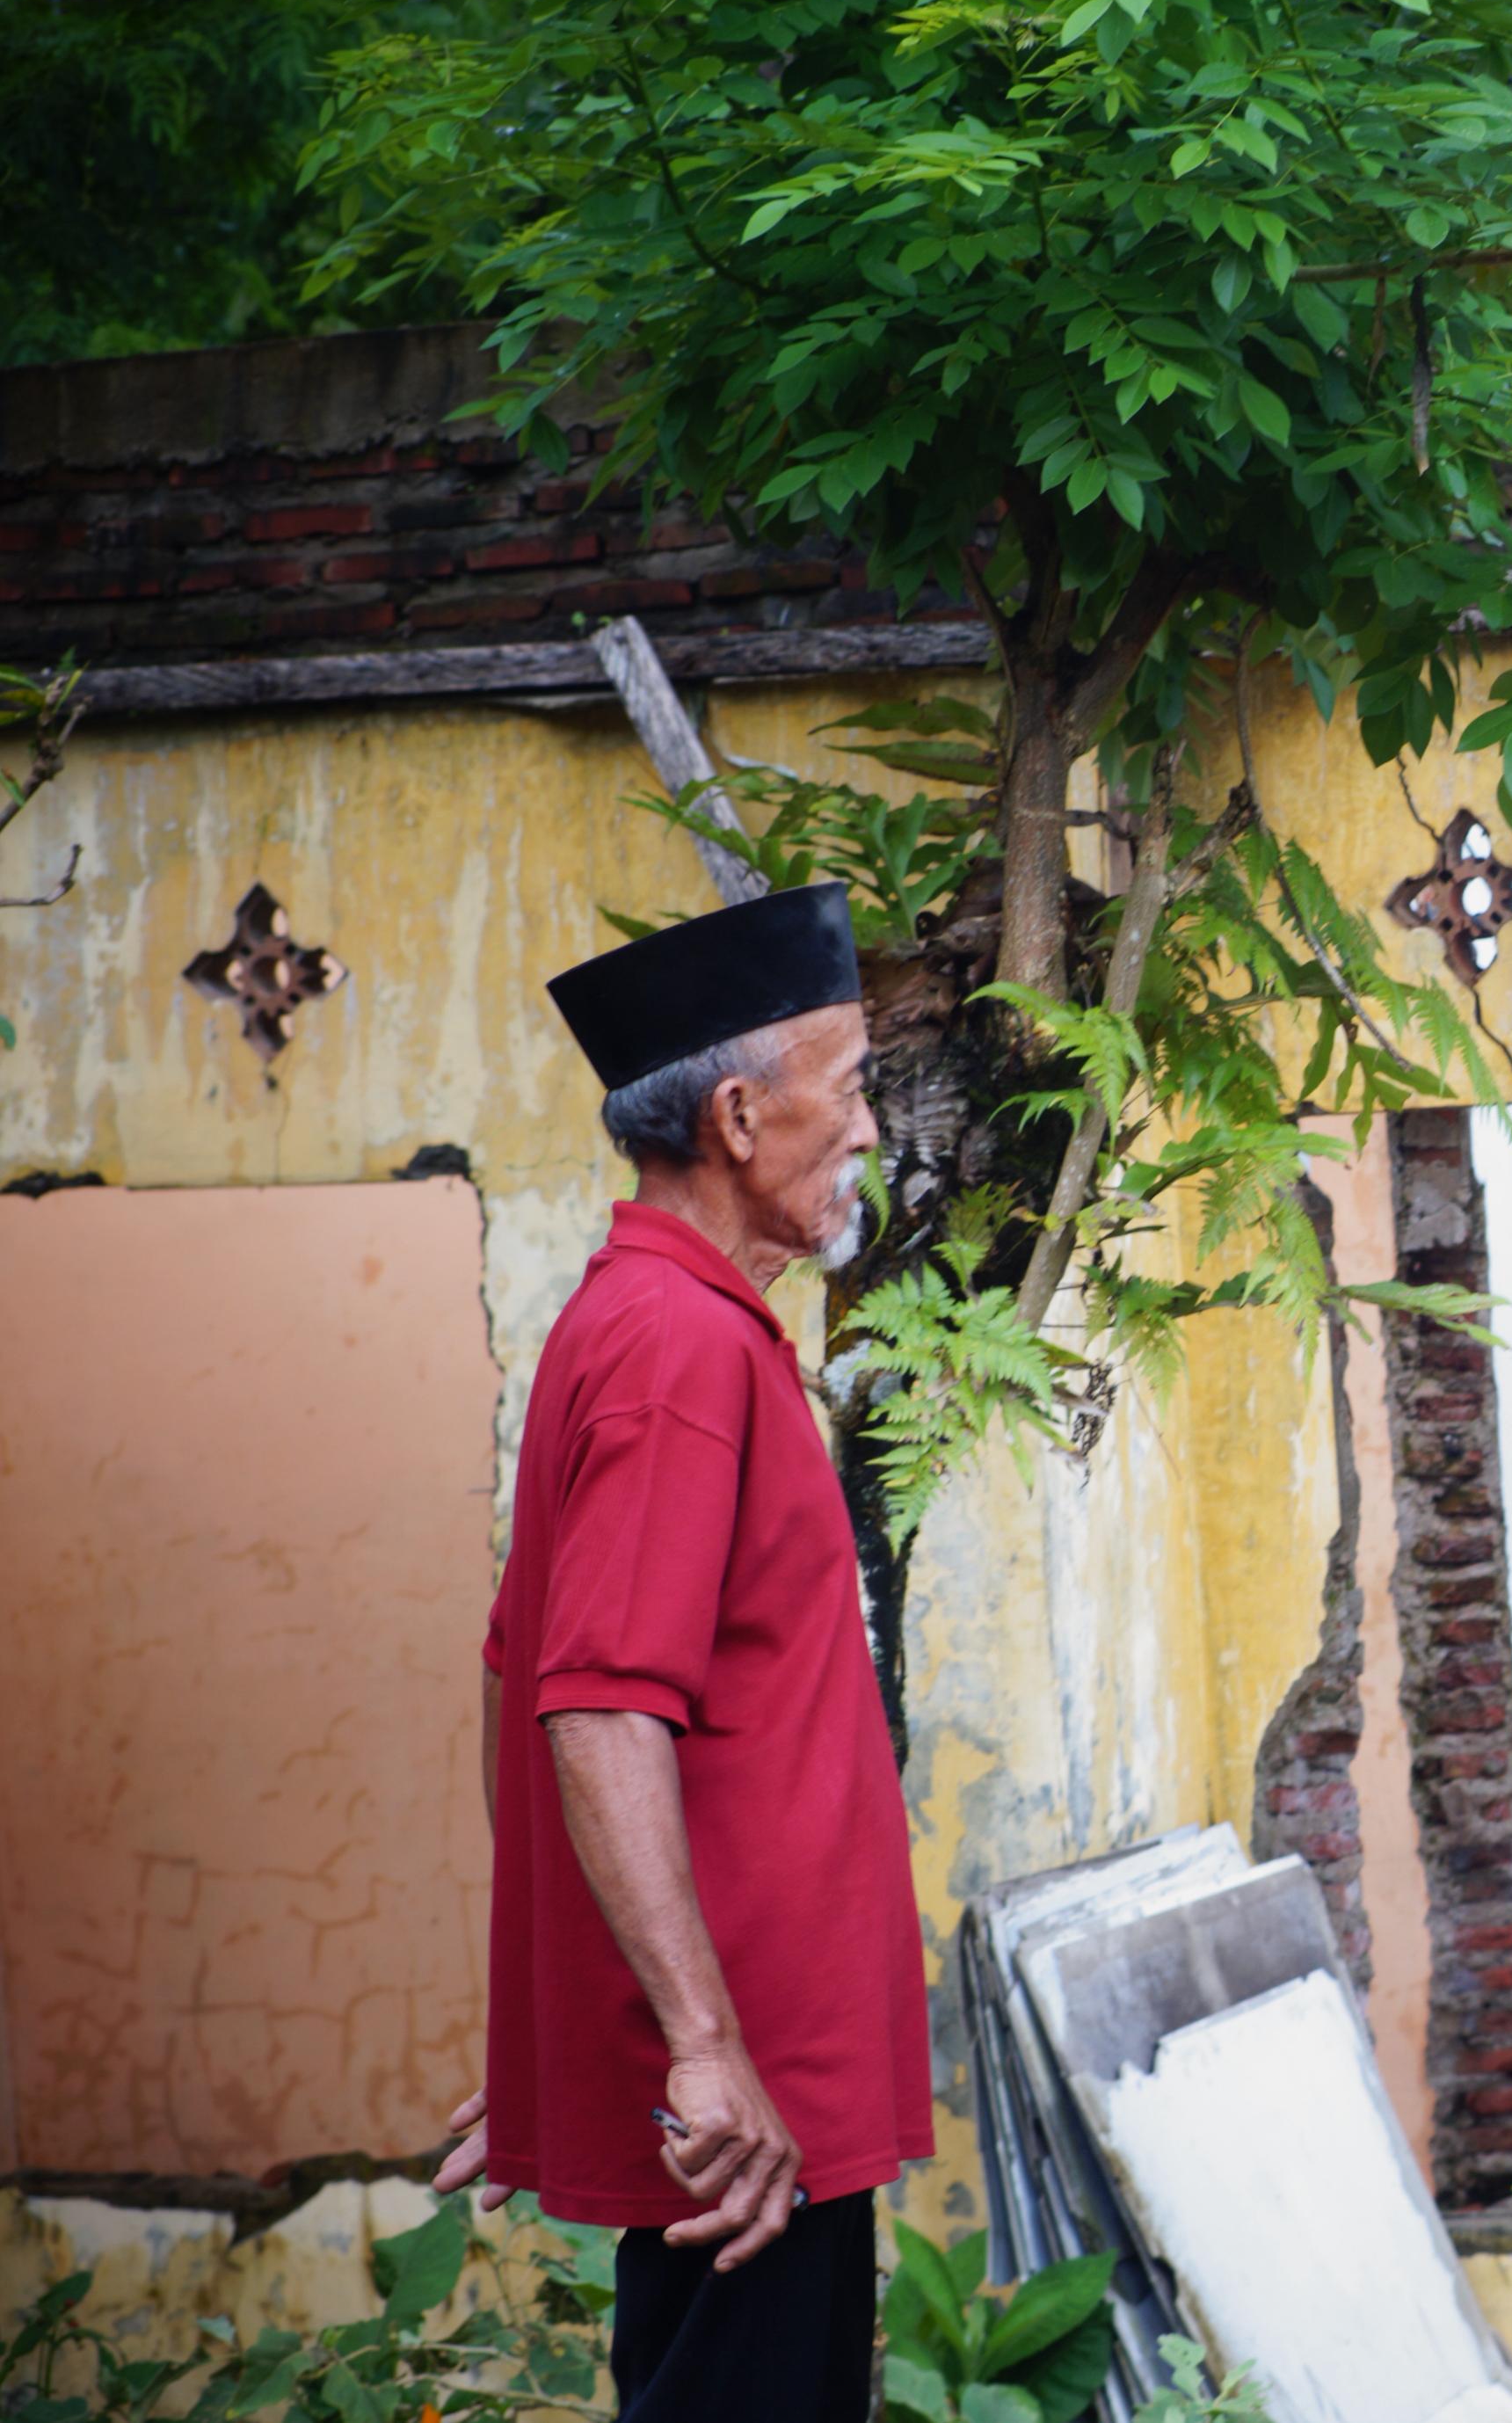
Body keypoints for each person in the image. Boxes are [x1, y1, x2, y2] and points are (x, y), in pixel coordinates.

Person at [433, 883, 929, 2419]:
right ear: (736, 1112)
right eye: (846, 1087)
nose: (865, 1129)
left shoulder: (652, 1322)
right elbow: (588, 1710)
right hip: (745, 2100)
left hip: (743, 2082)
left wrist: (577, 2012)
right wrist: (704, 2049)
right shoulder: (678, 1349)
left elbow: (522, 1678)